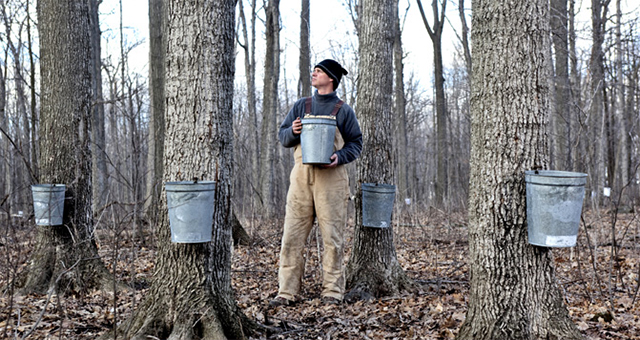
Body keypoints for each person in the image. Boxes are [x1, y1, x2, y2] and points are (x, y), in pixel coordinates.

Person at [270, 59, 362, 306]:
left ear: (331, 78)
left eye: (319, 71)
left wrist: (339, 157)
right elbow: (283, 136)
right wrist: (294, 131)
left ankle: (332, 291)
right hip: (300, 180)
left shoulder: (343, 110)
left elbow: (356, 144)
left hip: (332, 180)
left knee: (332, 238)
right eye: (314, 70)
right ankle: (286, 292)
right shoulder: (302, 105)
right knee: (292, 236)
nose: (314, 73)